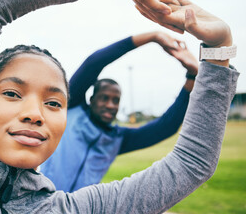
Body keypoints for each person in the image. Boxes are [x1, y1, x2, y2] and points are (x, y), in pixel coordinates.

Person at [0, 0, 238, 214]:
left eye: (54, 103)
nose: (35, 113)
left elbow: (189, 164)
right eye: (12, 93)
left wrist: (218, 50)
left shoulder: (67, 207)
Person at [40, 31, 199, 192]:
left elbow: (166, 126)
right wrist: (153, 37)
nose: (110, 105)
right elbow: (93, 64)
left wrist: (192, 76)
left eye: (116, 100)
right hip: (42, 202)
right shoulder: (71, 109)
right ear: (91, 99)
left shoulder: (117, 139)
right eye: (104, 98)